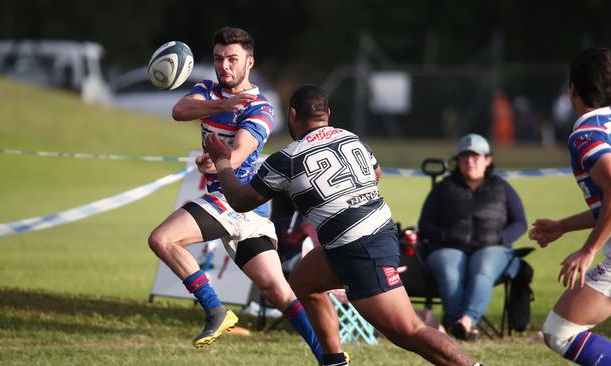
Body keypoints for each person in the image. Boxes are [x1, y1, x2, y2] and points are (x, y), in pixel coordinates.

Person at [205, 84, 484, 366]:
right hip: (366, 234)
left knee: (408, 330)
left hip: (360, 247)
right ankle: (334, 361)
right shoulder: (352, 138)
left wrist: (223, 161)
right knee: (304, 282)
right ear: (327, 113)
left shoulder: (286, 159)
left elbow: (240, 201)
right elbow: (375, 173)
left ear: (292, 114)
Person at [147, 27, 322, 361]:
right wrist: (221, 105)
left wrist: (214, 161)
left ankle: (216, 310)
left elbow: (238, 154)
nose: (224, 65)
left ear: (249, 62)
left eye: (232, 59)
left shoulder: (260, 108)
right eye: (217, 58)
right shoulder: (208, 91)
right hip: (239, 208)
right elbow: (180, 110)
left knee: (163, 240)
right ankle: (328, 355)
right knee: (277, 290)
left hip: (234, 199)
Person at [529, 46, 611, 365]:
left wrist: (588, 250)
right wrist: (563, 226)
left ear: (572, 89)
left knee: (560, 332)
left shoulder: (586, 134)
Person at [417, 133, 528, 340]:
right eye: (464, 157)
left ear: (488, 160)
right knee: (450, 270)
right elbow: (424, 224)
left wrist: (500, 237)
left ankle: (465, 320)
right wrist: (444, 235)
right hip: (448, 248)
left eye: (475, 157)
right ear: (457, 161)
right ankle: (458, 325)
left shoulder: (502, 187)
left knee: (483, 267)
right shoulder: (444, 187)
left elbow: (520, 222)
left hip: (492, 248)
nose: (470, 161)